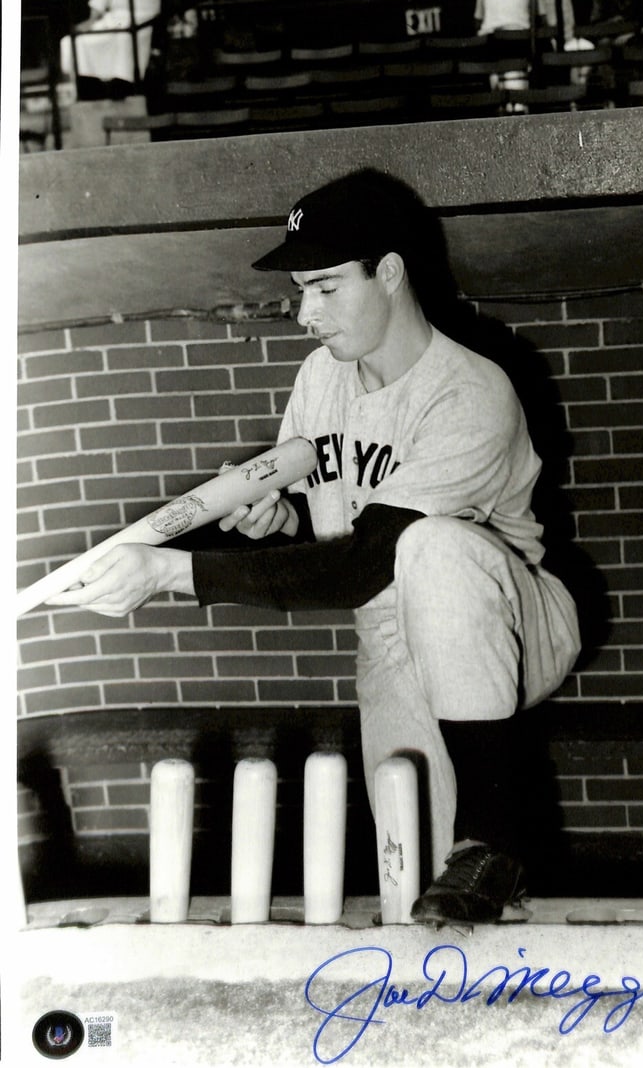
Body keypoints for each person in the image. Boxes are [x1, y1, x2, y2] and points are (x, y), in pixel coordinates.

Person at [46, 169, 582, 925]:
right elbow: (344, 529)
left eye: (327, 287)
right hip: (391, 635)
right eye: (302, 290)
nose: (306, 313)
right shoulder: (320, 380)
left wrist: (174, 572)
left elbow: (371, 561)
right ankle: (474, 886)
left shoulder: (469, 390)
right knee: (424, 888)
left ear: (389, 274)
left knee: (434, 550)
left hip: (515, 620)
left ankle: (499, 834)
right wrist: (286, 520)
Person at [60, 0, 162, 97]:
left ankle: (124, 88)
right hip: (114, 19)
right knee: (71, 42)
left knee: (125, 39)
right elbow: (98, 3)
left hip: (143, 17)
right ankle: (88, 91)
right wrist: (92, 20)